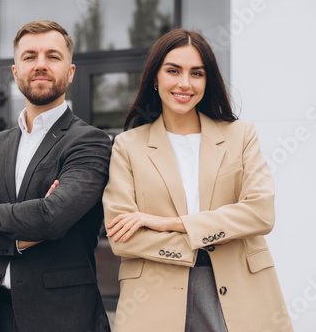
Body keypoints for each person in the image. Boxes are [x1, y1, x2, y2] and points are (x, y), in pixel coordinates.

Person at [102, 29, 293, 332]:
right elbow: (122, 235)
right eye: (173, 70)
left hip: (239, 289)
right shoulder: (127, 145)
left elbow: (260, 213)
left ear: (208, 80)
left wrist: (171, 223)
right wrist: (204, 241)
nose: (185, 83)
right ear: (155, 77)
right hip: (154, 295)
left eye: (197, 73)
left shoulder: (240, 135)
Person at [0, 20, 111, 332]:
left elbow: (51, 218)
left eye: (52, 56)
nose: (40, 65)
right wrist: (23, 238)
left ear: (71, 71)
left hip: (64, 317)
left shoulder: (90, 141)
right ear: (15, 71)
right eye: (30, 56)